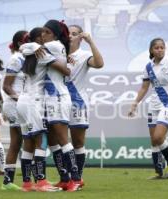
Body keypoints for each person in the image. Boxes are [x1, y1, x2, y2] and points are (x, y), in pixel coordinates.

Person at [128, 38, 168, 179]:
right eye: (157, 48)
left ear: (165, 49)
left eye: (162, 47)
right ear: (151, 50)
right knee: (153, 140)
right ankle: (159, 172)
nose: (160, 50)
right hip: (153, 105)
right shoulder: (148, 67)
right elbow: (144, 88)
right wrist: (135, 103)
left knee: (158, 137)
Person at [17, 27, 68, 192]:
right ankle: (41, 182)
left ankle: (27, 183)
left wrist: (33, 46)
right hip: (34, 101)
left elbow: (21, 47)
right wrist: (66, 63)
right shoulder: (42, 54)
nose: (46, 37)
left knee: (28, 144)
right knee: (41, 141)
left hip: (22, 101)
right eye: (43, 35)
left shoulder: (28, 52)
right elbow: (65, 71)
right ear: (38, 38)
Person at [41, 19, 81, 191]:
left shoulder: (54, 45)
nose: (43, 35)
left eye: (46, 32)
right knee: (52, 140)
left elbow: (28, 48)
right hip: (50, 97)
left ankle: (76, 179)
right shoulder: (56, 46)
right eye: (42, 32)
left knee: (63, 139)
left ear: (55, 34)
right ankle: (64, 177)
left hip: (57, 96)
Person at [64, 24, 104, 187]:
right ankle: (65, 177)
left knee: (78, 142)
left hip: (77, 102)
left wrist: (91, 41)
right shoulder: (58, 54)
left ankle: (77, 178)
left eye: (74, 34)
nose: (71, 36)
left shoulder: (83, 55)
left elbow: (99, 63)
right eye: (69, 33)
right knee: (60, 141)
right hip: (58, 102)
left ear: (81, 37)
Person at [1, 30, 29, 191]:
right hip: (15, 105)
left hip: (21, 104)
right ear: (20, 43)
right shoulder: (16, 59)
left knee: (17, 143)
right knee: (28, 141)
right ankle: (29, 180)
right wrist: (22, 100)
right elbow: (6, 86)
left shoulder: (25, 58)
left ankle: (8, 182)